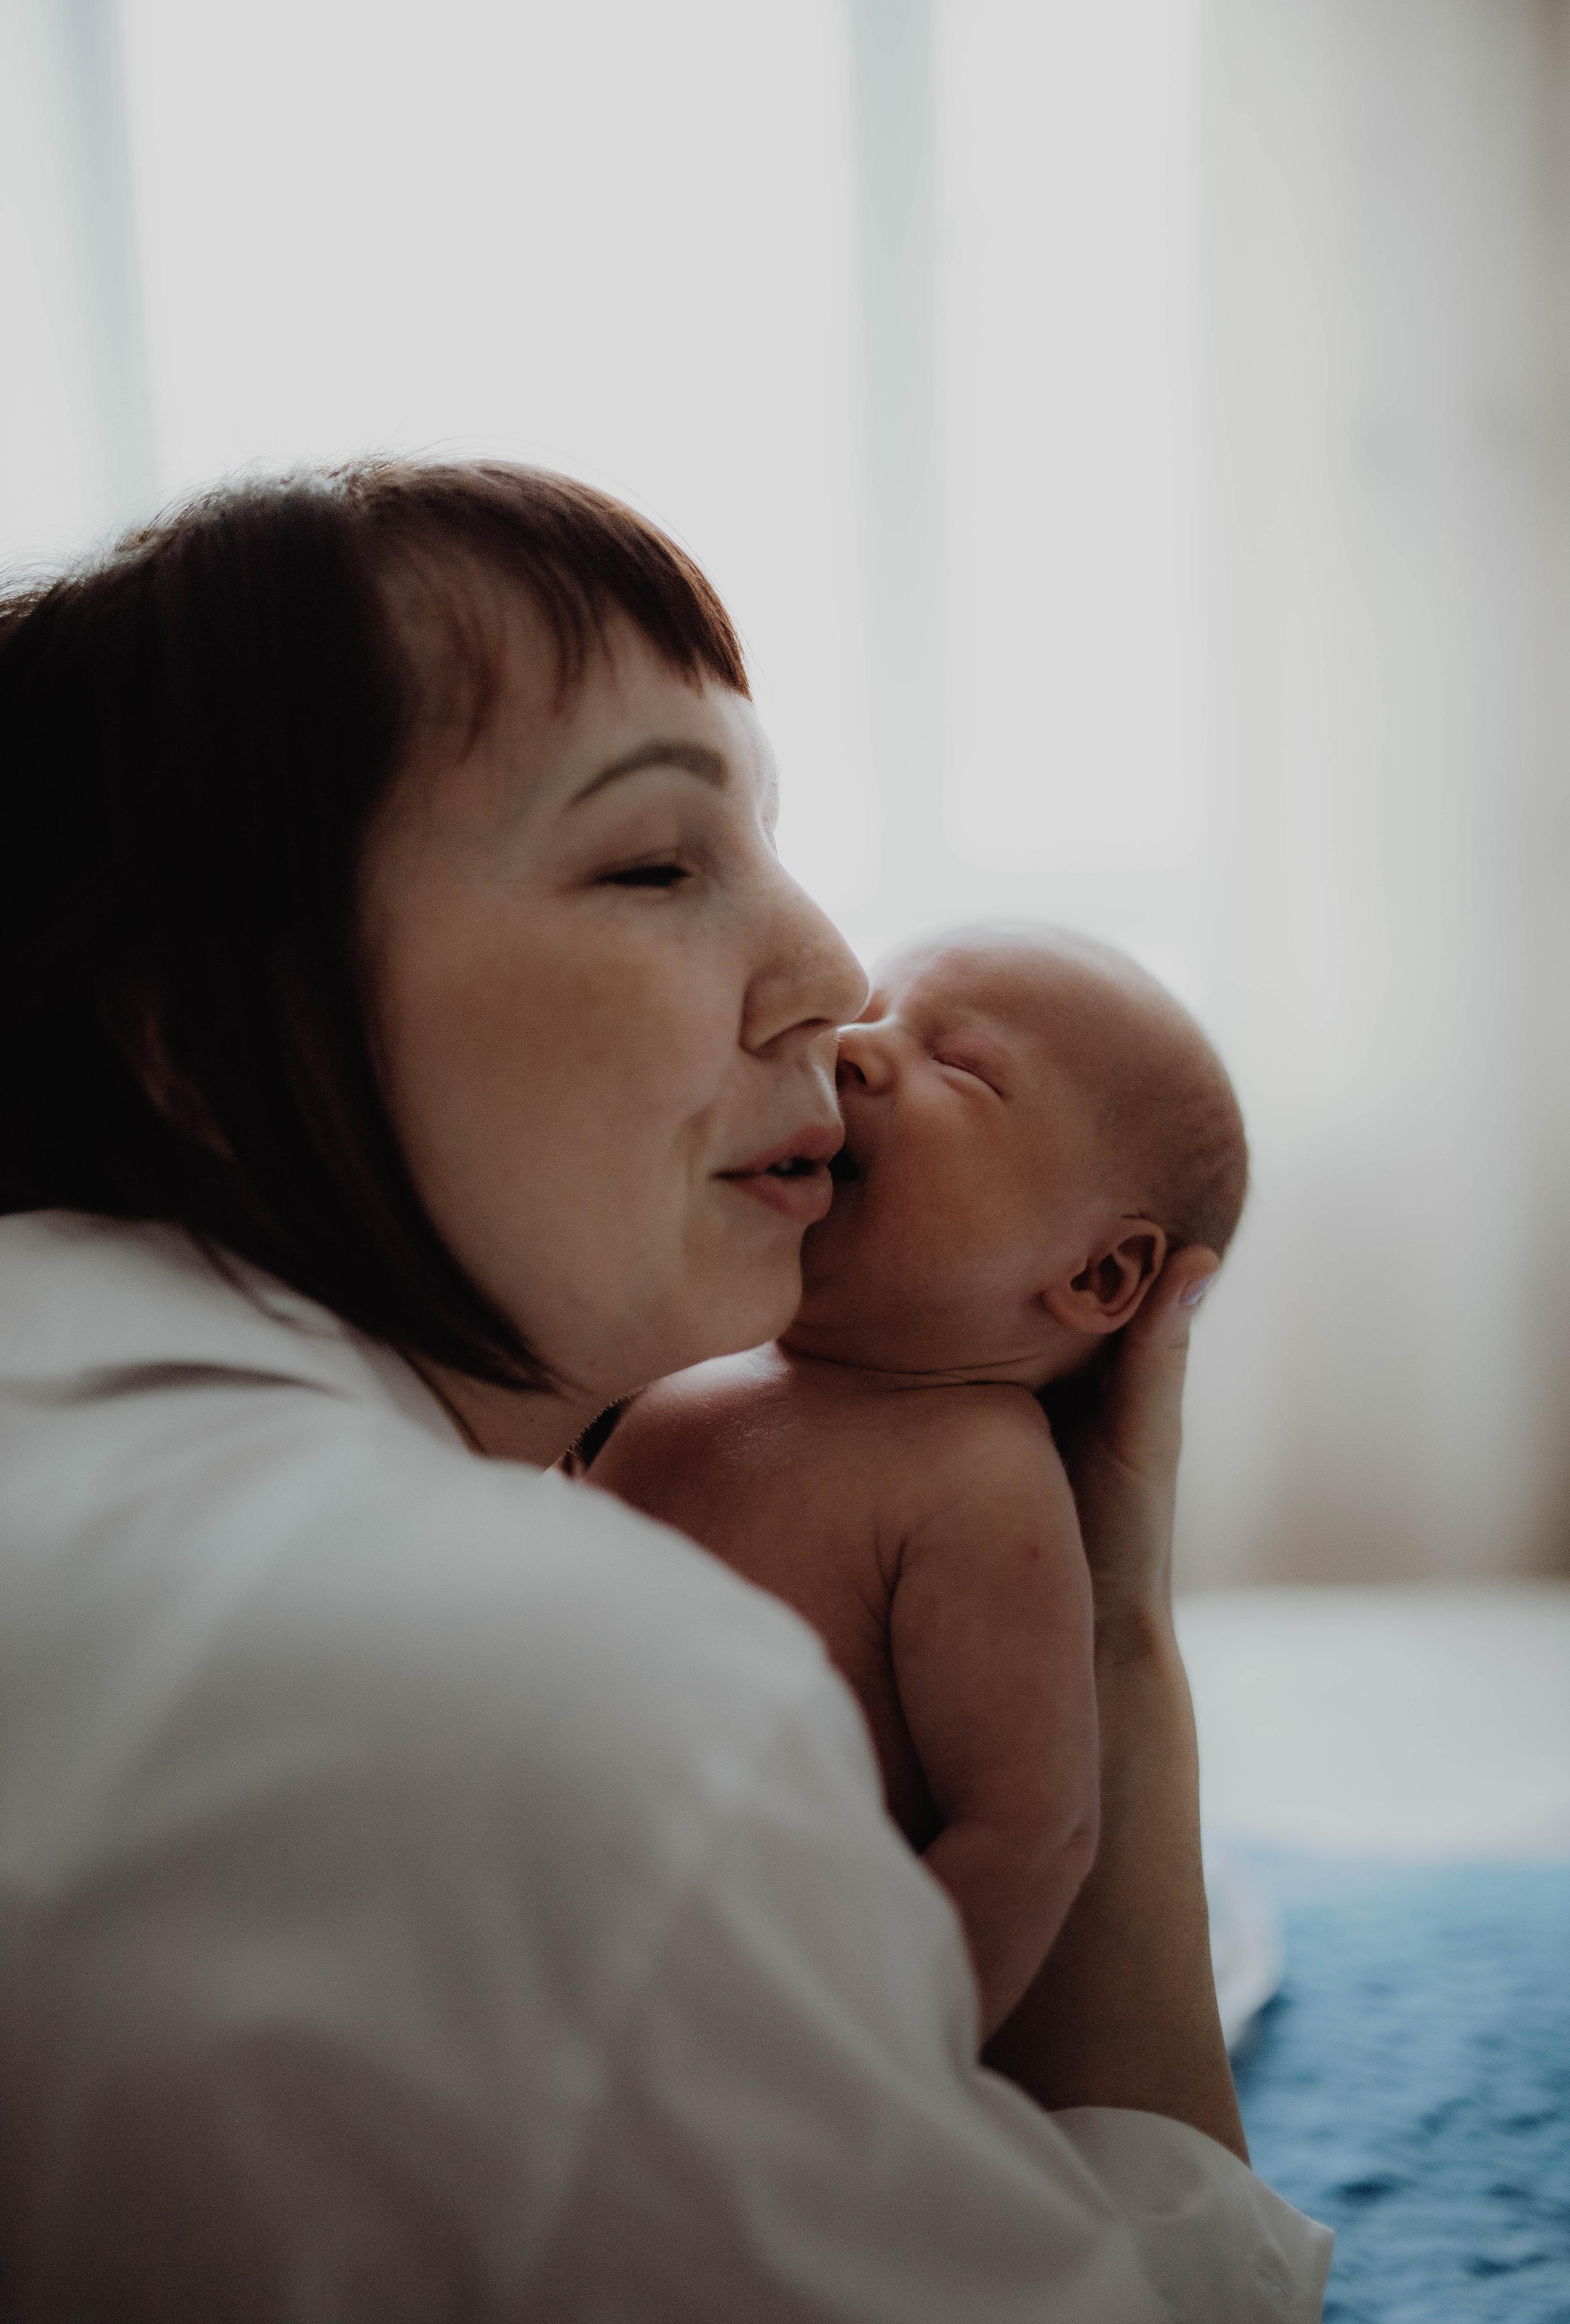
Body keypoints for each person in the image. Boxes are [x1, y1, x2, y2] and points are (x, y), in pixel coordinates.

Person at [0, 459, 1331, 2320]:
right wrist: (1125, 1653)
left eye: (770, 846)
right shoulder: (575, 1719)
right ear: (207, 1036)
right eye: (654, 862)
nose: (832, 979)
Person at [589, 926, 1248, 2042]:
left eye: (965, 1066)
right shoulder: (703, 1352)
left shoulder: (976, 1473)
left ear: (1100, 1273)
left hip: (766, 2008)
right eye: (874, 1012)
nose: (854, 1049)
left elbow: (1027, 1835)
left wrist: (887, 2072)